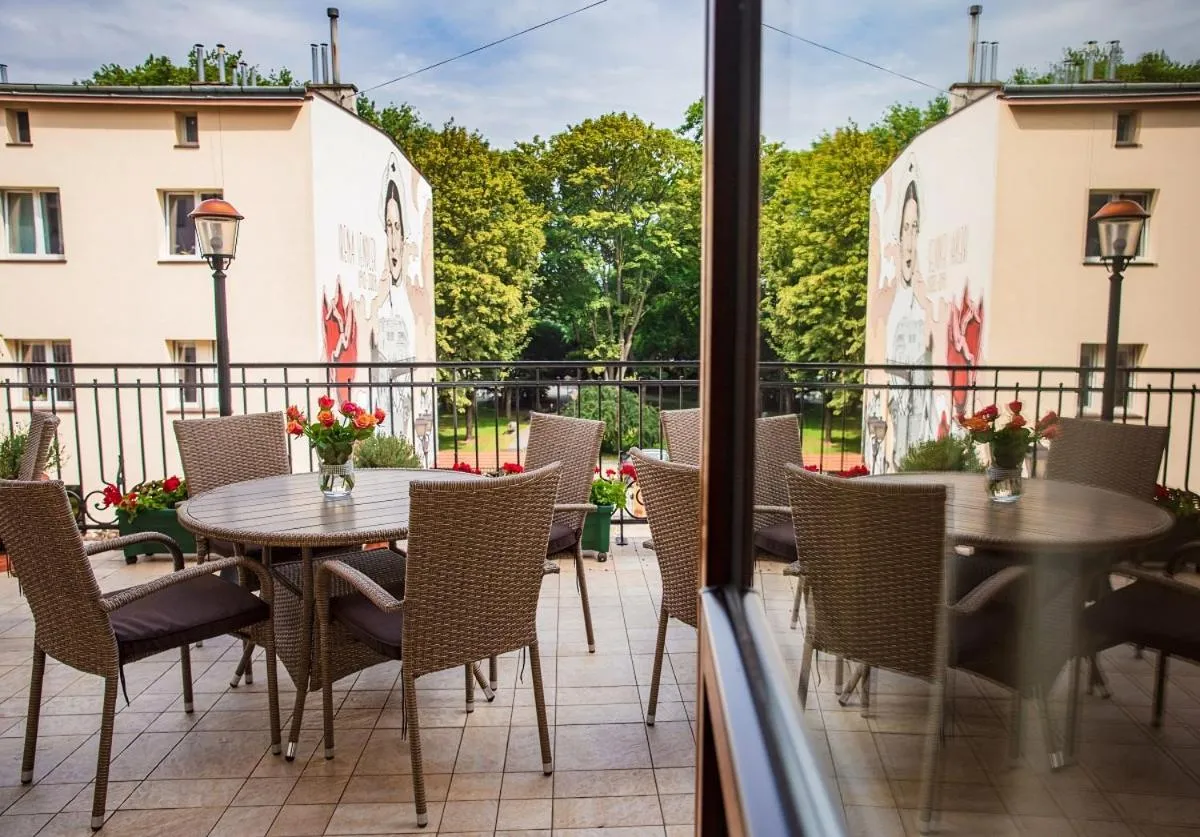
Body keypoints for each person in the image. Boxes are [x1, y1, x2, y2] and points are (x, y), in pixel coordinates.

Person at [884, 178, 934, 471]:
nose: (911, 241)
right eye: (906, 228)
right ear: (899, 236)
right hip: (904, 410)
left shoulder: (921, 304)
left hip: (915, 421)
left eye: (916, 228)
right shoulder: (898, 306)